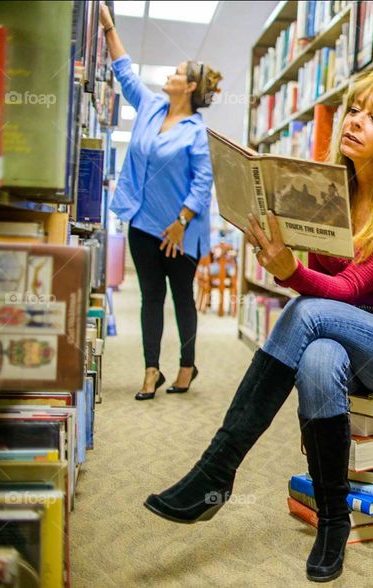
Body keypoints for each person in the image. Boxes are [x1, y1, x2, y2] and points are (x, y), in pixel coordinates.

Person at [143, 68, 373, 583]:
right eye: (354, 109)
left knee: (304, 314)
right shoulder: (328, 193)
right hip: (343, 337)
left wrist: (290, 272)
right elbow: (322, 287)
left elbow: (343, 289)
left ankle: (216, 470)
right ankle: (333, 520)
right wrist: (280, 248)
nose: (356, 122)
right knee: (320, 358)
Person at [100, 5, 222, 400]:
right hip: (142, 223)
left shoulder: (196, 132)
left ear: (188, 87)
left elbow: (203, 183)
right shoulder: (150, 107)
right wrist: (107, 26)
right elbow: (124, 69)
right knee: (151, 296)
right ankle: (151, 369)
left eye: (176, 72)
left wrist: (181, 222)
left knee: (181, 297)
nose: (169, 75)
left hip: (180, 231)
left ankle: (187, 366)